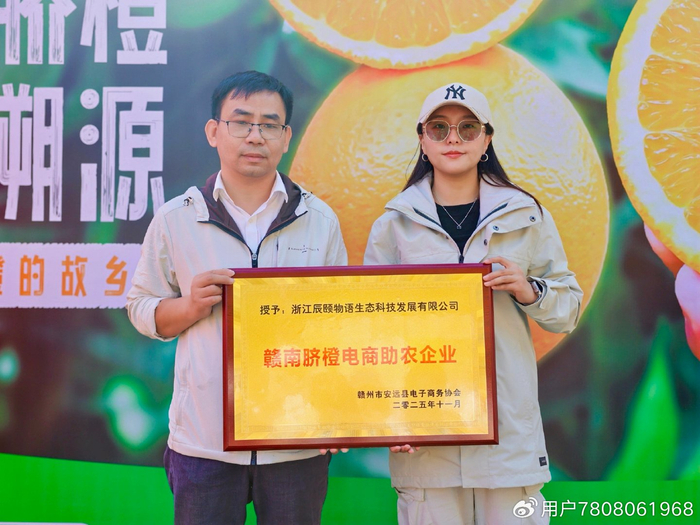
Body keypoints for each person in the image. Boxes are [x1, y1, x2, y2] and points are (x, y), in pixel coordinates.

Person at [126, 70, 347, 525]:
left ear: (286, 138)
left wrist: (338, 414)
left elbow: (340, 327)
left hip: (294, 443)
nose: (255, 136)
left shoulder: (319, 219)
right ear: (214, 131)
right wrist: (190, 306)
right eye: (241, 122)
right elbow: (141, 308)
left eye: (269, 125)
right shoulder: (176, 218)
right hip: (203, 445)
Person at [364, 82, 583, 525]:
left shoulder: (526, 216)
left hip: (506, 439)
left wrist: (529, 289)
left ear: (486, 140)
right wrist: (388, 416)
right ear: (422, 139)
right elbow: (372, 331)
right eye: (439, 128)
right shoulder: (393, 225)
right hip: (428, 438)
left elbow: (568, 310)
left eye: (467, 128)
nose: (453, 139)